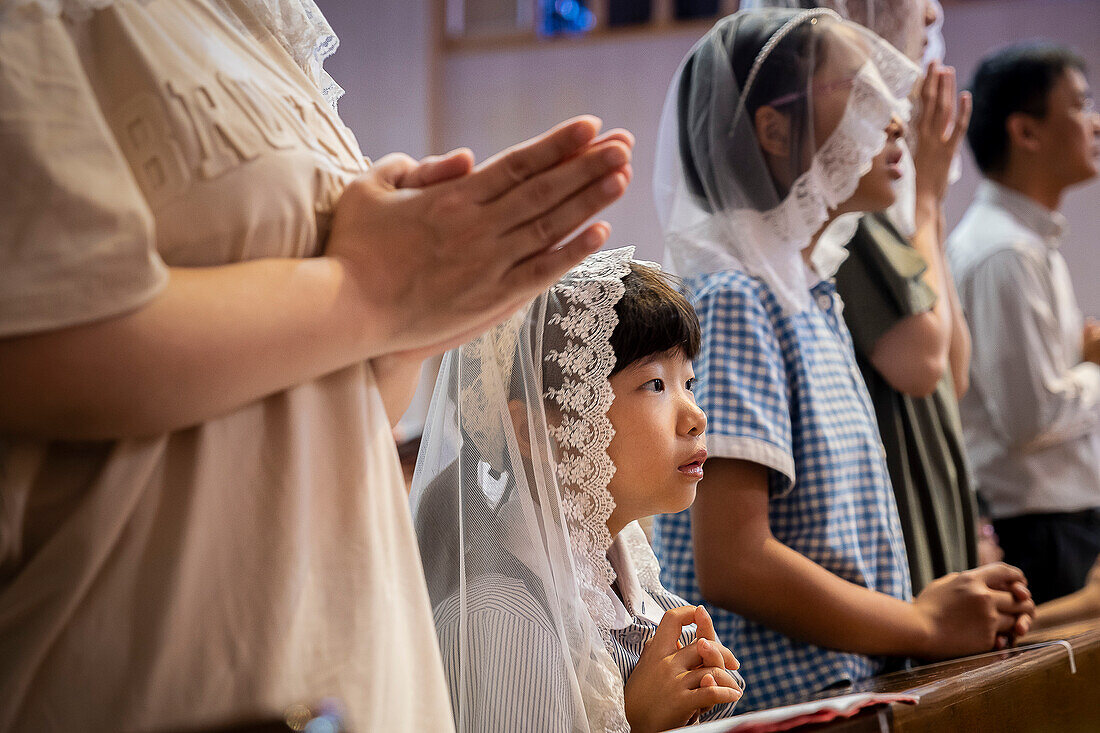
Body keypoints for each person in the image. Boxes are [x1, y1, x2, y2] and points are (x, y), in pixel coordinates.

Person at [0, 1, 634, 731]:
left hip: (358, 665)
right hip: (148, 681)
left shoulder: (262, 28)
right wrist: (367, 291)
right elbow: (46, 351)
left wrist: (415, 320)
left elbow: (344, 408)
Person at [651, 8, 1034, 712]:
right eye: (860, 94)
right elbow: (735, 560)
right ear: (774, 129)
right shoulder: (738, 295)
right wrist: (922, 621)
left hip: (847, 694)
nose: (895, 119)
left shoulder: (811, 294)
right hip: (786, 706)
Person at [410, 249, 744, 733]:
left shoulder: (642, 601)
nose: (696, 416)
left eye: (687, 382)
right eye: (654, 384)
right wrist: (638, 720)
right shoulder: (500, 621)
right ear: (532, 433)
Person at [746, 0, 980, 594]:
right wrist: (926, 196)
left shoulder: (852, 218)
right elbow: (924, 361)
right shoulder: (838, 219)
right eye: (866, 96)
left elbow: (957, 369)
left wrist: (928, 201)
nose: (931, 15)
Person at [948, 41, 1100, 605]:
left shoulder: (1023, 243)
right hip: (1038, 527)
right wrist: (1094, 370)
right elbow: (1029, 420)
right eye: (1080, 106)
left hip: (1054, 519)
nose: (1095, 122)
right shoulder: (1004, 252)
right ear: (1026, 132)